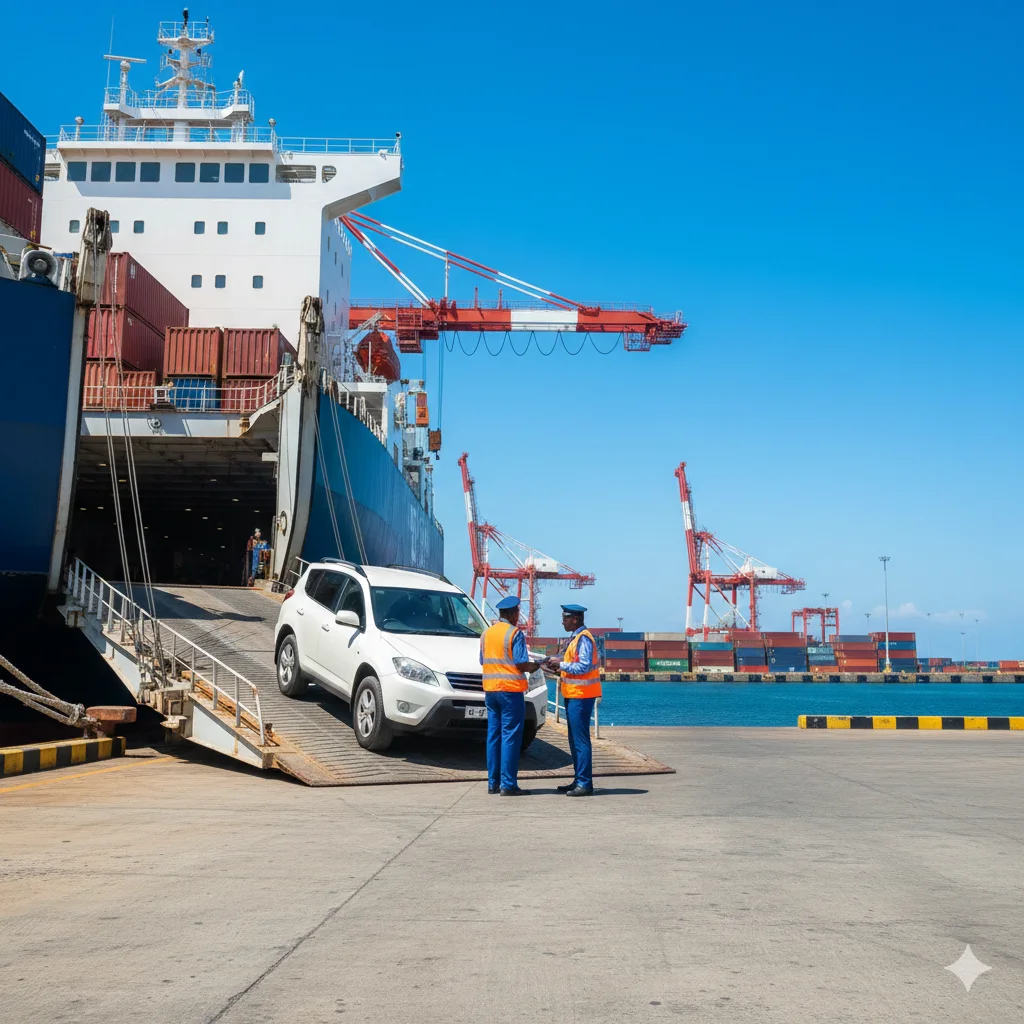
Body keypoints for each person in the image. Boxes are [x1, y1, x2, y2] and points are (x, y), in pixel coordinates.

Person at [480, 595, 539, 796]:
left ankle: (492, 783)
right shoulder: (515, 634)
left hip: (490, 691)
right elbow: (521, 663)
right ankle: (508, 784)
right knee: (511, 736)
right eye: (517, 613)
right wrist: (537, 665)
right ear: (513, 614)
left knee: (493, 736)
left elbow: (483, 660)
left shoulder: (486, 634)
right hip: (510, 691)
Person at [544, 604, 601, 796]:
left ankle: (585, 783)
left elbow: (583, 667)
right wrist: (555, 664)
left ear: (575, 619)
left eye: (565, 617)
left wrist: (561, 664)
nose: (562, 621)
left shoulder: (583, 639)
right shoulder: (575, 638)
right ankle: (579, 779)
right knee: (574, 739)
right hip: (573, 694)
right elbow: (572, 665)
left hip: (581, 695)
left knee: (580, 740)